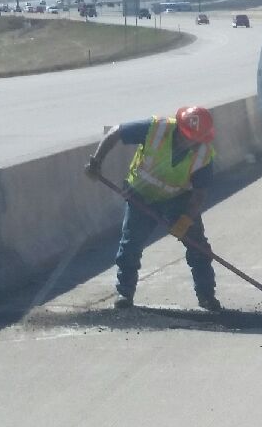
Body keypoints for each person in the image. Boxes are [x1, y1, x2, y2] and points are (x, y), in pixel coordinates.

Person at [85, 107, 221, 312]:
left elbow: (199, 194)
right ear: (179, 128)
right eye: (185, 137)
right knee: (131, 245)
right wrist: (96, 162)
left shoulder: (204, 155)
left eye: (194, 140)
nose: (188, 142)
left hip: (177, 198)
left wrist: (185, 221)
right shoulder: (157, 129)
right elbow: (116, 132)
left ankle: (207, 296)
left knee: (198, 247)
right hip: (141, 195)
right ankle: (125, 293)